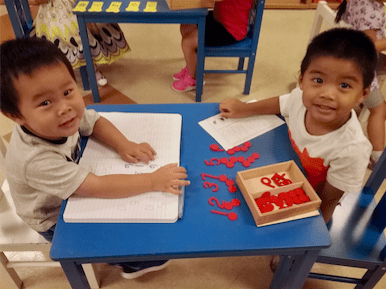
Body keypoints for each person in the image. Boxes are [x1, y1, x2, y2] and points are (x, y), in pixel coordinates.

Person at [0, 37, 190, 279]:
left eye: (68, 91)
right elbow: (96, 186)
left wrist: (123, 144)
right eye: (45, 102)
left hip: (73, 184)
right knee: (121, 238)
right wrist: (153, 180)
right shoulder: (35, 159)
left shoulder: (61, 121)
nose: (65, 107)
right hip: (52, 217)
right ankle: (131, 264)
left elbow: (94, 121)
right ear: (16, 115)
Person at [219, 28, 376, 224]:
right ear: (301, 80)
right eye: (318, 80)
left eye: (344, 85)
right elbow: (282, 102)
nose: (327, 94)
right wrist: (244, 109)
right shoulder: (300, 100)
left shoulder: (352, 149)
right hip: (284, 170)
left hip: (312, 201)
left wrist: (309, 238)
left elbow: (329, 201)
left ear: (363, 94)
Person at [30, 0, 131, 86]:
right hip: (53, 12)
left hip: (77, 4)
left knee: (98, 20)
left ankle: (92, 60)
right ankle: (91, 68)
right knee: (75, 31)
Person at [335, 0, 386, 168]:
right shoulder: (372, 10)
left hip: (352, 59)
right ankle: (378, 157)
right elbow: (370, 47)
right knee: (379, 110)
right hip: (362, 68)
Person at [173, 0, 254, 92]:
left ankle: (193, 80)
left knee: (188, 42)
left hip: (232, 30)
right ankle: (193, 68)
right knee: (187, 24)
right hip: (221, 19)